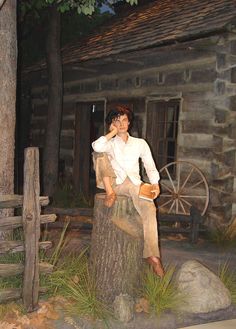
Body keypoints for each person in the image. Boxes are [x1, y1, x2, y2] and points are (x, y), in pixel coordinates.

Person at [92, 105, 164, 278]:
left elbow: (149, 165)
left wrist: (155, 184)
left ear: (129, 122)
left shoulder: (140, 143)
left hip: (134, 184)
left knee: (150, 209)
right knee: (98, 155)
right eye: (117, 121)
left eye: (124, 120)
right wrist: (111, 133)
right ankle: (110, 193)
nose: (121, 124)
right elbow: (96, 146)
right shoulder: (109, 143)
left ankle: (152, 256)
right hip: (113, 184)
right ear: (111, 123)